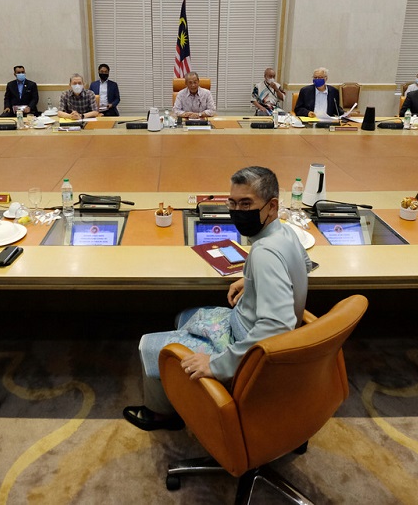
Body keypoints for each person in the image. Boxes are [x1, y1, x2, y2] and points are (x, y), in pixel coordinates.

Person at [123, 166, 311, 431]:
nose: (237, 212)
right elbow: (304, 264)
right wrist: (253, 280)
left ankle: (163, 415)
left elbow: (276, 326)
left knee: (148, 347)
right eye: (232, 203)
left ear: (272, 206)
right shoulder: (287, 233)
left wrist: (217, 365)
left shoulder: (265, 253)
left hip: (246, 347)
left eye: (246, 203)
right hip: (254, 327)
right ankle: (182, 393)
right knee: (184, 316)